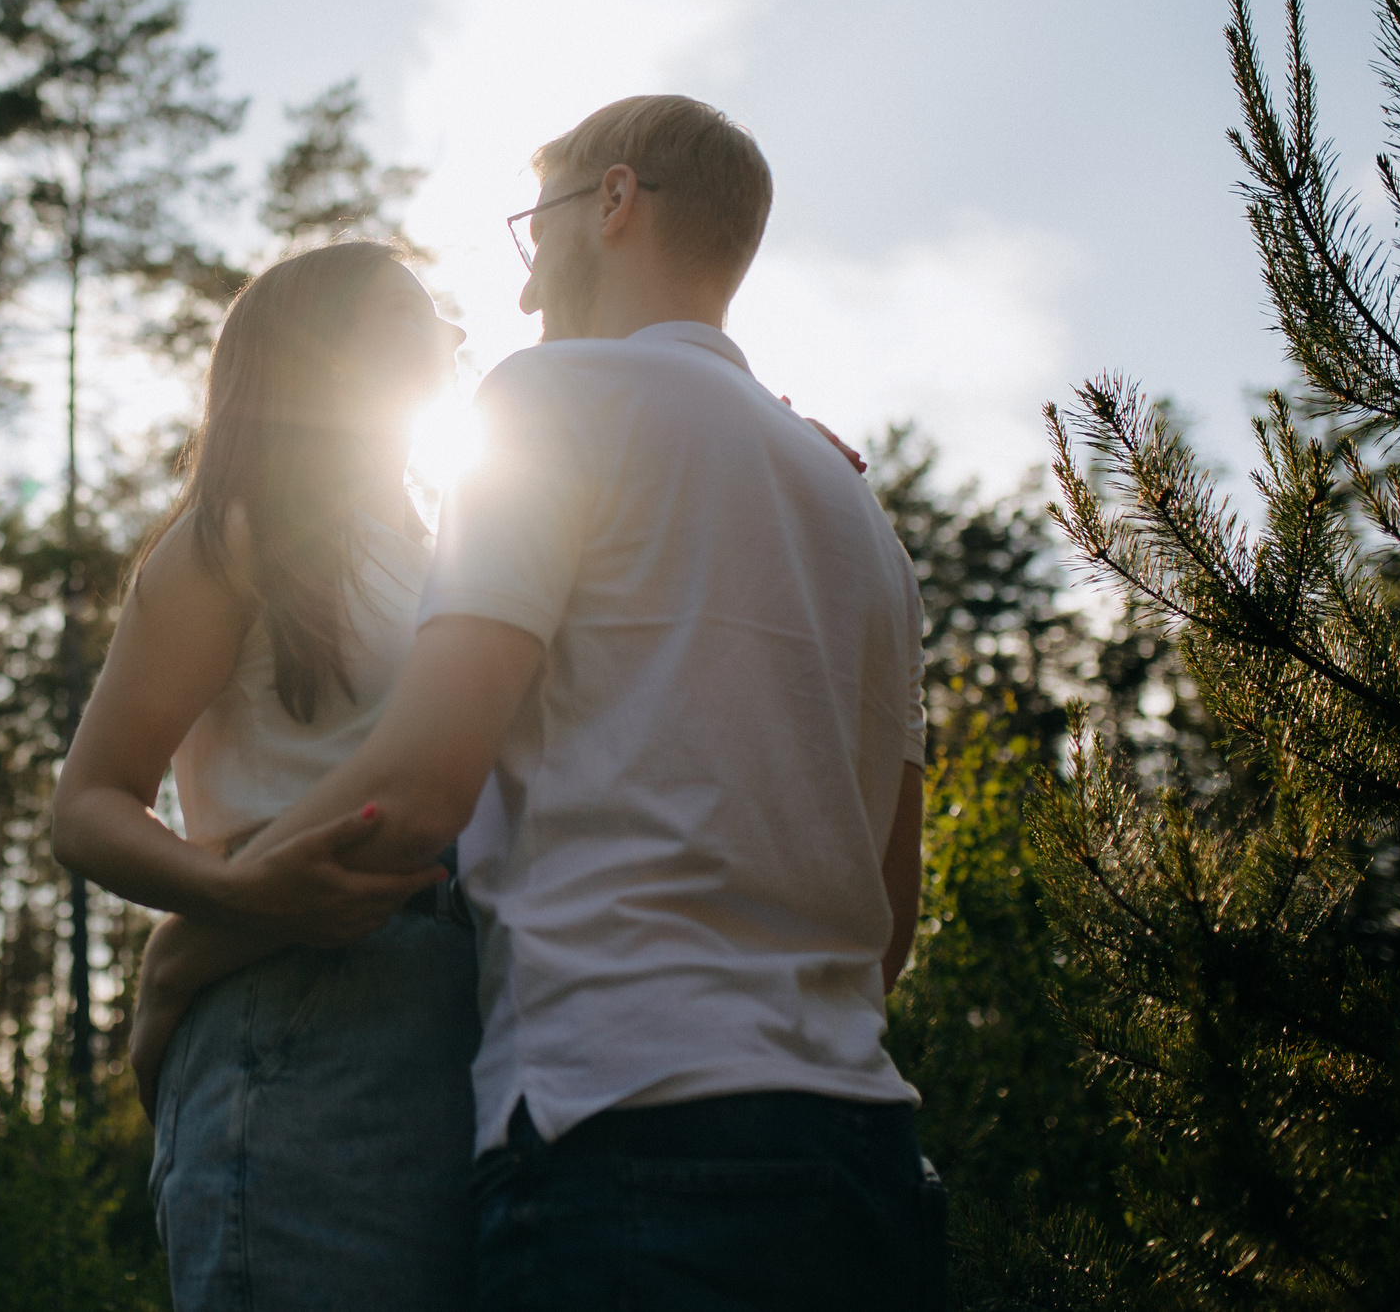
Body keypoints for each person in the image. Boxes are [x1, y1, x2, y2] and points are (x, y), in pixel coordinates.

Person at [142, 95, 939, 1310]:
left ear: (612, 201)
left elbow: (417, 793)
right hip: (865, 1161)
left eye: (535, 227)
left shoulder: (553, 401)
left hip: (624, 1136)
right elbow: (889, 916)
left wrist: (189, 947)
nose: (521, 293)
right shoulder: (857, 515)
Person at [51, 240, 480, 1312]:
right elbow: (88, 803)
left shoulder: (455, 556)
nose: (452, 332)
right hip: (298, 1017)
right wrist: (229, 896)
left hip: (467, 1022)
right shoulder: (240, 537)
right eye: (412, 312)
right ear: (323, 349)